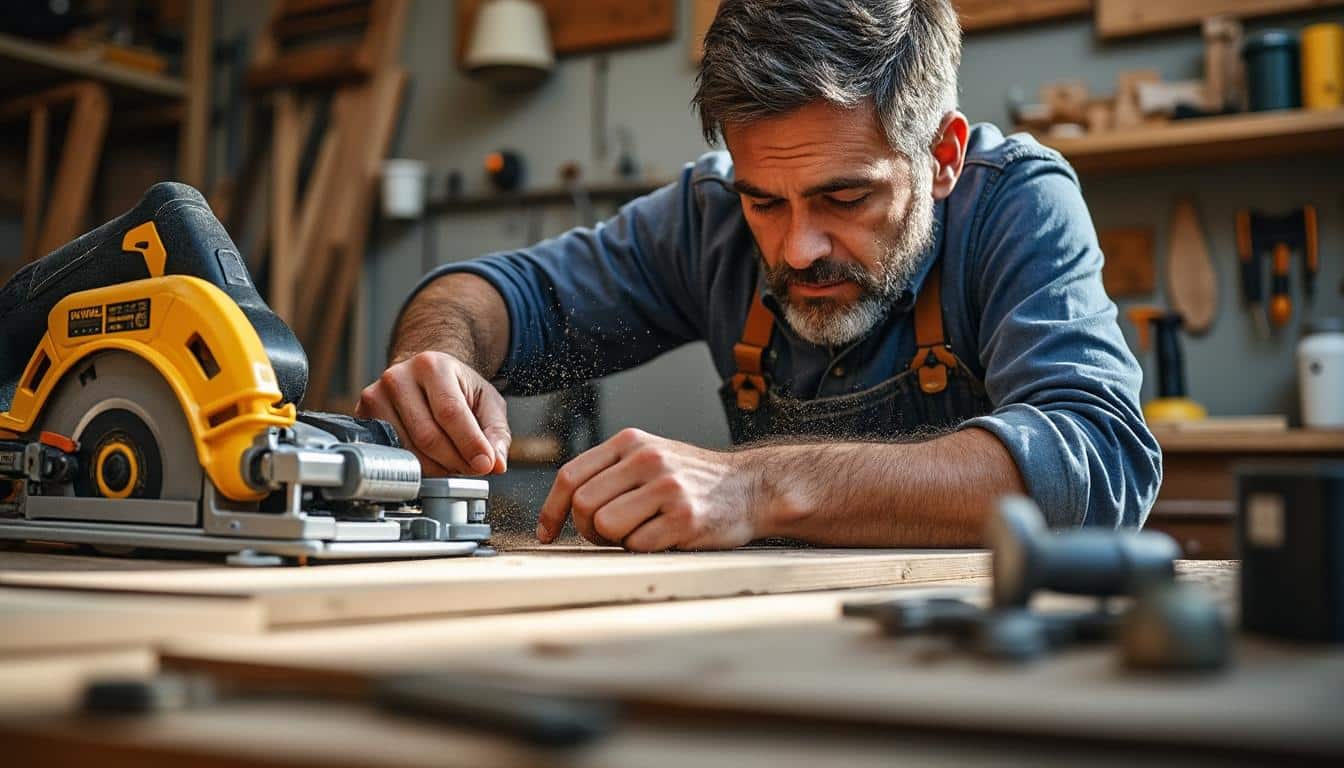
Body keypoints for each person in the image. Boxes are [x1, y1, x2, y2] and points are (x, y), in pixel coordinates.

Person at [356, 0, 1161, 552]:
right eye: (764, 201)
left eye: (845, 197)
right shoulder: (707, 219)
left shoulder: (1015, 203)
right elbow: (485, 296)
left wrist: (756, 486)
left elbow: (1099, 459)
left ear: (941, 158)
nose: (798, 247)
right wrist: (439, 359)